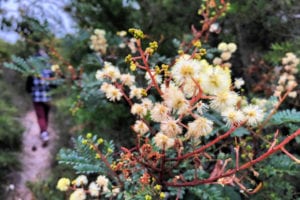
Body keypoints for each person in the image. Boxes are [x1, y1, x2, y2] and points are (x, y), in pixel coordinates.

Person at [26, 68, 55, 146]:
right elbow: (54, 85)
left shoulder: (31, 72)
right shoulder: (49, 71)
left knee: (41, 117)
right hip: (47, 98)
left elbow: (28, 88)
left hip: (37, 98)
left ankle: (44, 133)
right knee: (45, 116)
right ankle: (44, 132)